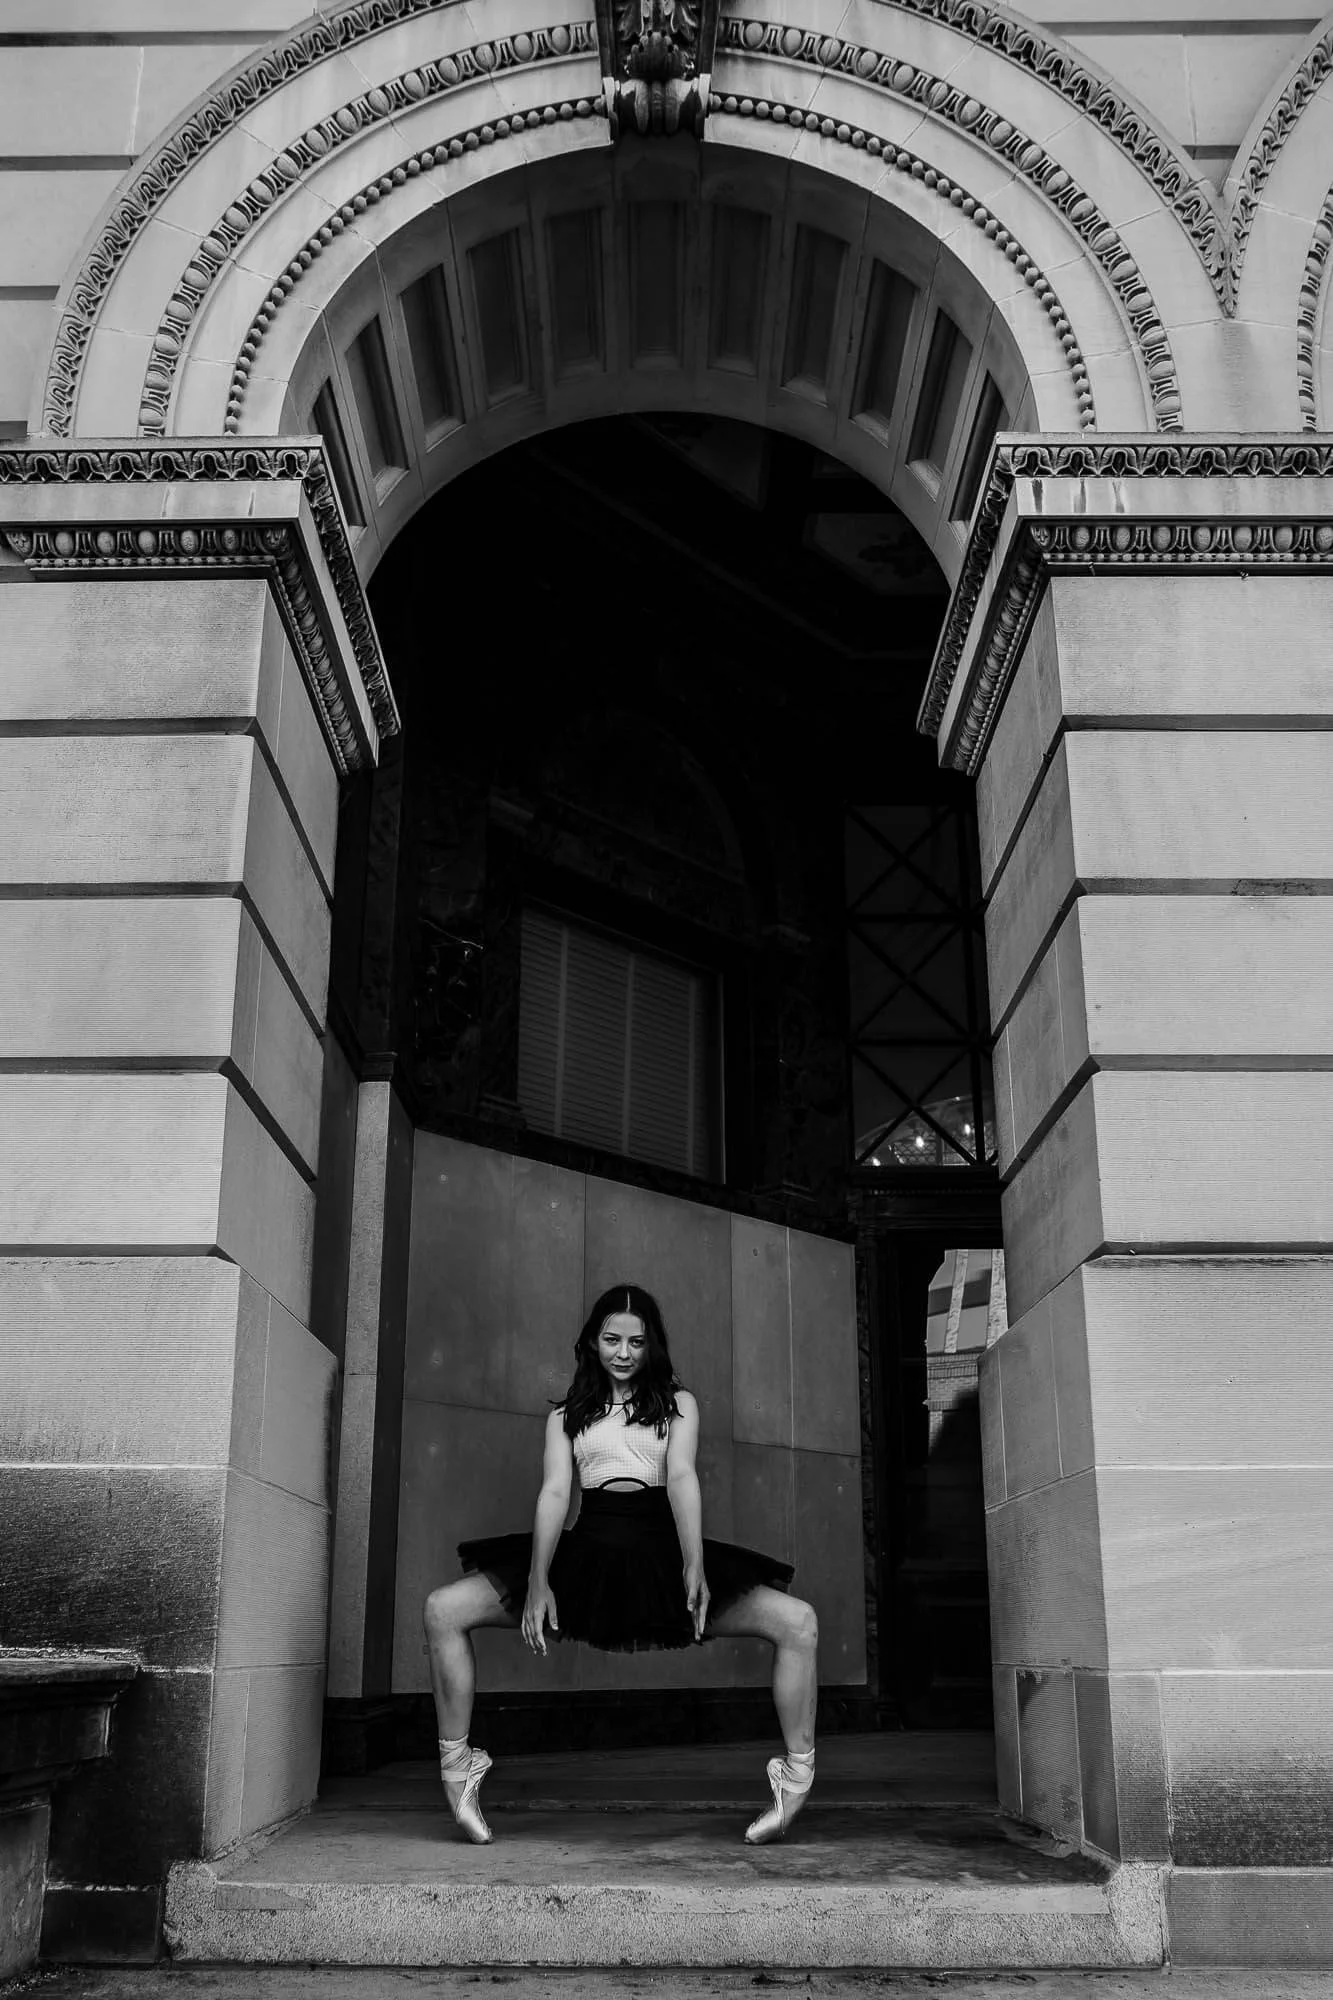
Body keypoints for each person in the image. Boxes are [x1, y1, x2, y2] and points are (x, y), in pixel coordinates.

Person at [422, 1282, 819, 1846]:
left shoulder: (679, 1404)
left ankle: (797, 1777)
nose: (624, 1353)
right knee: (443, 1609)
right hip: (586, 1560)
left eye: (636, 1341)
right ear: (593, 1340)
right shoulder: (565, 1415)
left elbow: (681, 1476)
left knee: (799, 1623)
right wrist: (537, 1581)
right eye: (612, 1339)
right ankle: (458, 1767)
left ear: (652, 1344)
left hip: (662, 1559)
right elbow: (554, 1493)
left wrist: (694, 1563)